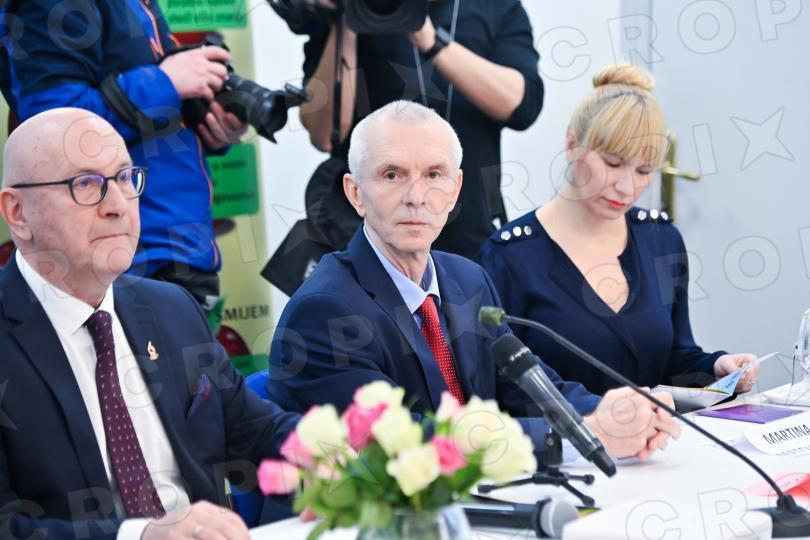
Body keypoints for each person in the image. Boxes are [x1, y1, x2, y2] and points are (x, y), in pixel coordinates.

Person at [268, 100, 681, 466]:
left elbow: (524, 384)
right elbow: (405, 443)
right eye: (392, 175)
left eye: (434, 175)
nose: (416, 196)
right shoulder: (323, 310)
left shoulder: (468, 279)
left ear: (455, 190)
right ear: (355, 193)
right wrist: (577, 436)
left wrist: (615, 413)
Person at [0, 108, 296, 539]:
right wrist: (139, 535)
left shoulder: (171, 308)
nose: (118, 206)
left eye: (124, 178)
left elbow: (257, 432)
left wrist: (338, 454)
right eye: (86, 184)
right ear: (17, 212)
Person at [477, 63, 759, 397]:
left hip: (656, 430)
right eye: (613, 163)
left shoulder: (662, 240)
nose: (627, 187)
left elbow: (672, 358)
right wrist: (601, 414)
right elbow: (500, 387)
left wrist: (716, 368)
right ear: (572, 145)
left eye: (644, 170)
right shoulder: (508, 258)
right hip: (562, 433)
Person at [0, 0, 247, 310]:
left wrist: (211, 126)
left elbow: (155, 126)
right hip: (129, 261)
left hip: (178, 251)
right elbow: (55, 131)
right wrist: (165, 82)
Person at [273, 0, 544, 259]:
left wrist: (430, 40)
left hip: (470, 231)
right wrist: (347, 21)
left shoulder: (497, 6)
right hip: (367, 239)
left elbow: (521, 106)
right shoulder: (350, 13)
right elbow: (323, 136)